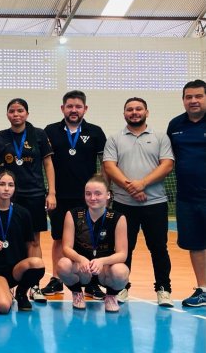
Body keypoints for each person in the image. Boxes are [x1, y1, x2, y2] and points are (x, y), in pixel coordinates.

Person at [103, 97, 174, 306]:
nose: (134, 112)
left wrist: (141, 184)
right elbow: (109, 166)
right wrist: (131, 188)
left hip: (156, 203)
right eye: (129, 109)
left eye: (138, 109)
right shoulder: (114, 138)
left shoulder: (160, 137)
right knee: (123, 249)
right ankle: (121, 287)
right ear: (124, 113)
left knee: (159, 248)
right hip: (124, 205)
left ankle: (164, 289)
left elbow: (167, 165)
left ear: (146, 112)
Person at [42, 91, 107, 298]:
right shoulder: (50, 131)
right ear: (63, 108)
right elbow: (47, 163)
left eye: (78, 106)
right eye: (69, 106)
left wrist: (104, 190)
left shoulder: (95, 132)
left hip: (89, 198)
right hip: (59, 196)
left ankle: (91, 282)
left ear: (85, 109)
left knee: (91, 239)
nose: (73, 110)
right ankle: (57, 279)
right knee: (59, 238)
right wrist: (51, 193)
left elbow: (105, 164)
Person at [0, 98, 54, 303]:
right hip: (9, 196)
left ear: (27, 113)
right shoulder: (0, 137)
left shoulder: (39, 134)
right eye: (12, 111)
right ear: (7, 114)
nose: (16, 114)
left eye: (20, 110)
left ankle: (34, 285)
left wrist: (51, 192)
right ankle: (8, 283)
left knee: (34, 240)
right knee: (7, 237)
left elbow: (48, 163)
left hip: (34, 194)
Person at [0, 171, 45, 313]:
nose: (6, 188)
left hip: (15, 269)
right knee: (4, 306)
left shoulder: (23, 214)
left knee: (37, 263)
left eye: (10, 185)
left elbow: (30, 244)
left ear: (14, 188)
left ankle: (21, 293)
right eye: (2, 184)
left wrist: (29, 272)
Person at [57, 175, 129, 313]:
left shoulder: (118, 218)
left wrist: (102, 261)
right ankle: (77, 293)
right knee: (63, 264)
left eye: (98, 193)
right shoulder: (73, 214)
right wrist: (80, 258)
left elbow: (122, 254)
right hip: (82, 269)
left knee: (121, 271)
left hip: (104, 270)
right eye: (88, 194)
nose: (92, 198)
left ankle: (111, 296)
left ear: (108, 195)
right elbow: (66, 248)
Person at [168, 80, 206, 307]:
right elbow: (168, 158)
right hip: (187, 197)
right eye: (189, 97)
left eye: (198, 96)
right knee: (196, 244)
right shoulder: (175, 125)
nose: (193, 100)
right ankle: (202, 290)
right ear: (183, 100)